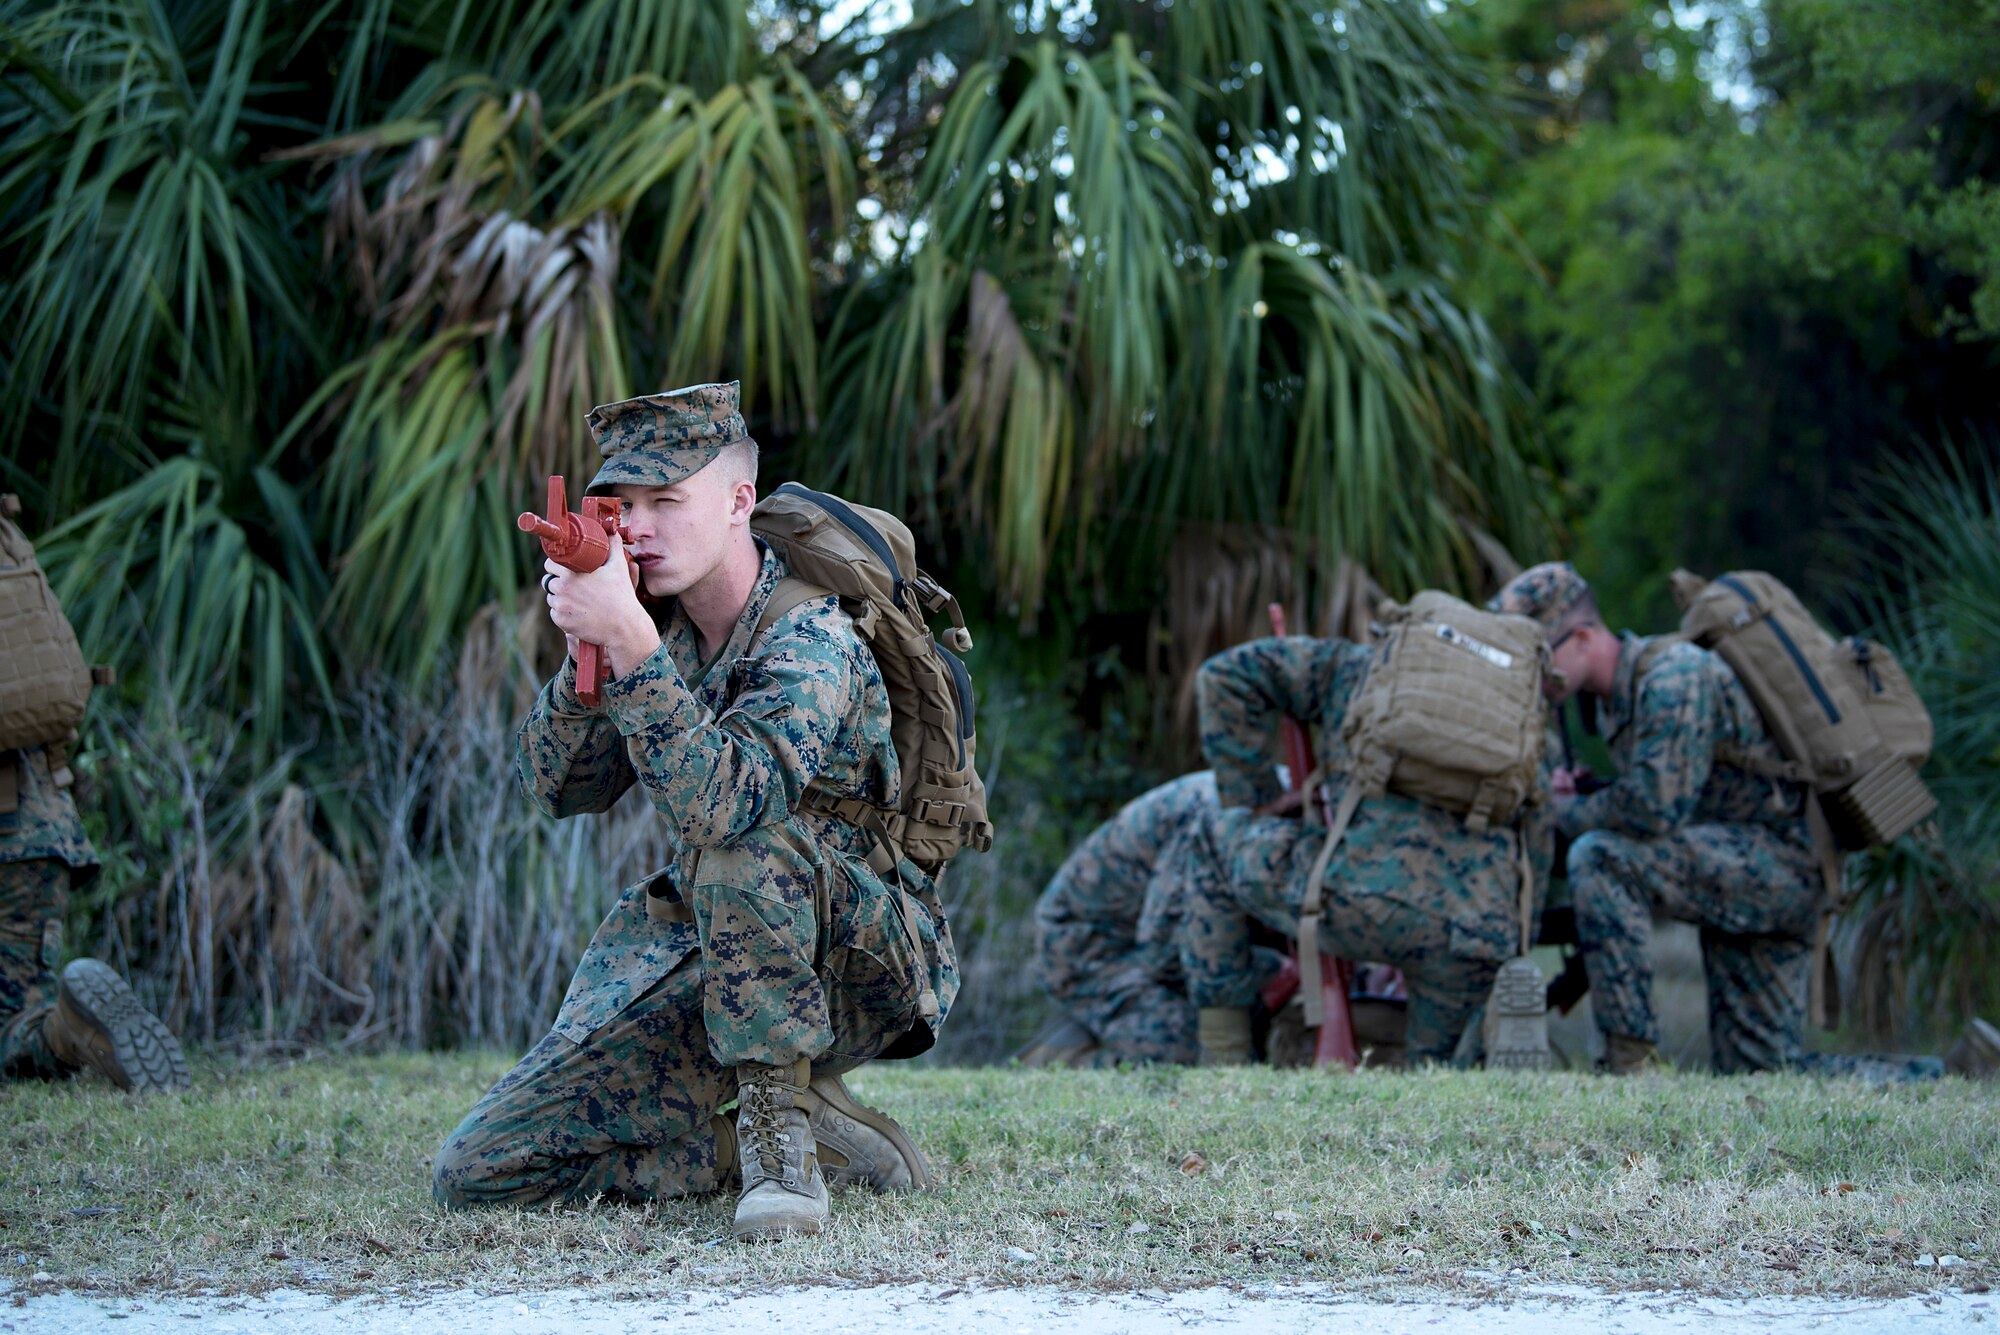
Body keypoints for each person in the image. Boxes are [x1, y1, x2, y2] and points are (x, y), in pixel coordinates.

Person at [431, 382, 949, 1240]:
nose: (637, 526)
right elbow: (556, 787)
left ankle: (783, 1150)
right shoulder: (661, 629)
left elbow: (728, 808)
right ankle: (792, 1141)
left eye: (666, 500)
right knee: (478, 1171)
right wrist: (588, 653)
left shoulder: (810, 635)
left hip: (863, 950)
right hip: (719, 947)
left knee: (741, 845)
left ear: (738, 499)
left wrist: (630, 644)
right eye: (620, 504)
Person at [1489, 561, 1998, 1078]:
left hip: (1777, 866)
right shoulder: (1617, 702)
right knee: (1760, 1070)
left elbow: (1651, 810)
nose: (1533, 675)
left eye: (1540, 657)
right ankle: (1961, 1073)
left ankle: (1627, 1066)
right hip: (1752, 868)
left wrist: (1561, 809)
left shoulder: (1674, 676)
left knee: (1600, 855)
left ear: (1581, 637)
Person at [1157, 635, 1551, 1067]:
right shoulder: (1513, 708)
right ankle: (1486, 1033)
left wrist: (1259, 798)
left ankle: (1224, 1053)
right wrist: (1513, 944)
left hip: (1354, 895)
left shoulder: (1355, 664)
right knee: (1437, 1067)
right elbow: (1538, 828)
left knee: (1213, 836)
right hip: (1474, 925)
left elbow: (1222, 675)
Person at [1027, 772, 1219, 1067]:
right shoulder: (1211, 814)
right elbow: (1159, 941)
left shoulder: (1250, 795)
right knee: (1194, 1045)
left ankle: (1112, 1028)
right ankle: (1061, 1061)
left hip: (1124, 937)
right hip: (1082, 945)